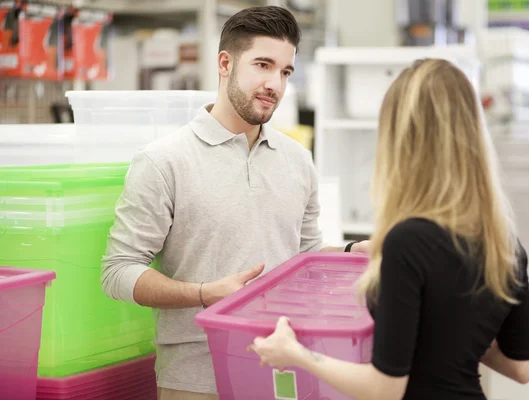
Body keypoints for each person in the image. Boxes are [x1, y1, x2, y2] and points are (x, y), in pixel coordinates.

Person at [101, 6, 368, 400]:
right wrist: (204, 293)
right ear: (225, 63)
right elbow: (118, 271)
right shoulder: (163, 161)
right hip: (195, 380)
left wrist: (348, 252)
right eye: (263, 64)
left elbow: (303, 254)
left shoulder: (298, 161)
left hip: (282, 372)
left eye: (285, 71)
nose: (274, 83)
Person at [250, 59, 529, 400]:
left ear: (404, 139)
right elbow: (521, 368)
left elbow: (386, 388)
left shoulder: (409, 241)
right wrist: (454, 330)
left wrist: (297, 354)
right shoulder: (504, 243)